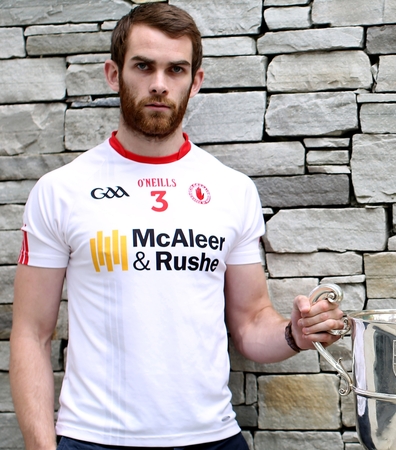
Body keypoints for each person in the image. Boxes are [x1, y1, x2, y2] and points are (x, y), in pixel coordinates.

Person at [9, 4, 344, 449]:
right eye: (143, 66)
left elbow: (249, 322)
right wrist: (39, 446)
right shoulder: (62, 190)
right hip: (93, 438)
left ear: (195, 80)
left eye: (176, 69)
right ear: (114, 74)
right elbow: (31, 332)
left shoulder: (231, 189)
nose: (159, 84)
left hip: (213, 438)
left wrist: (295, 334)